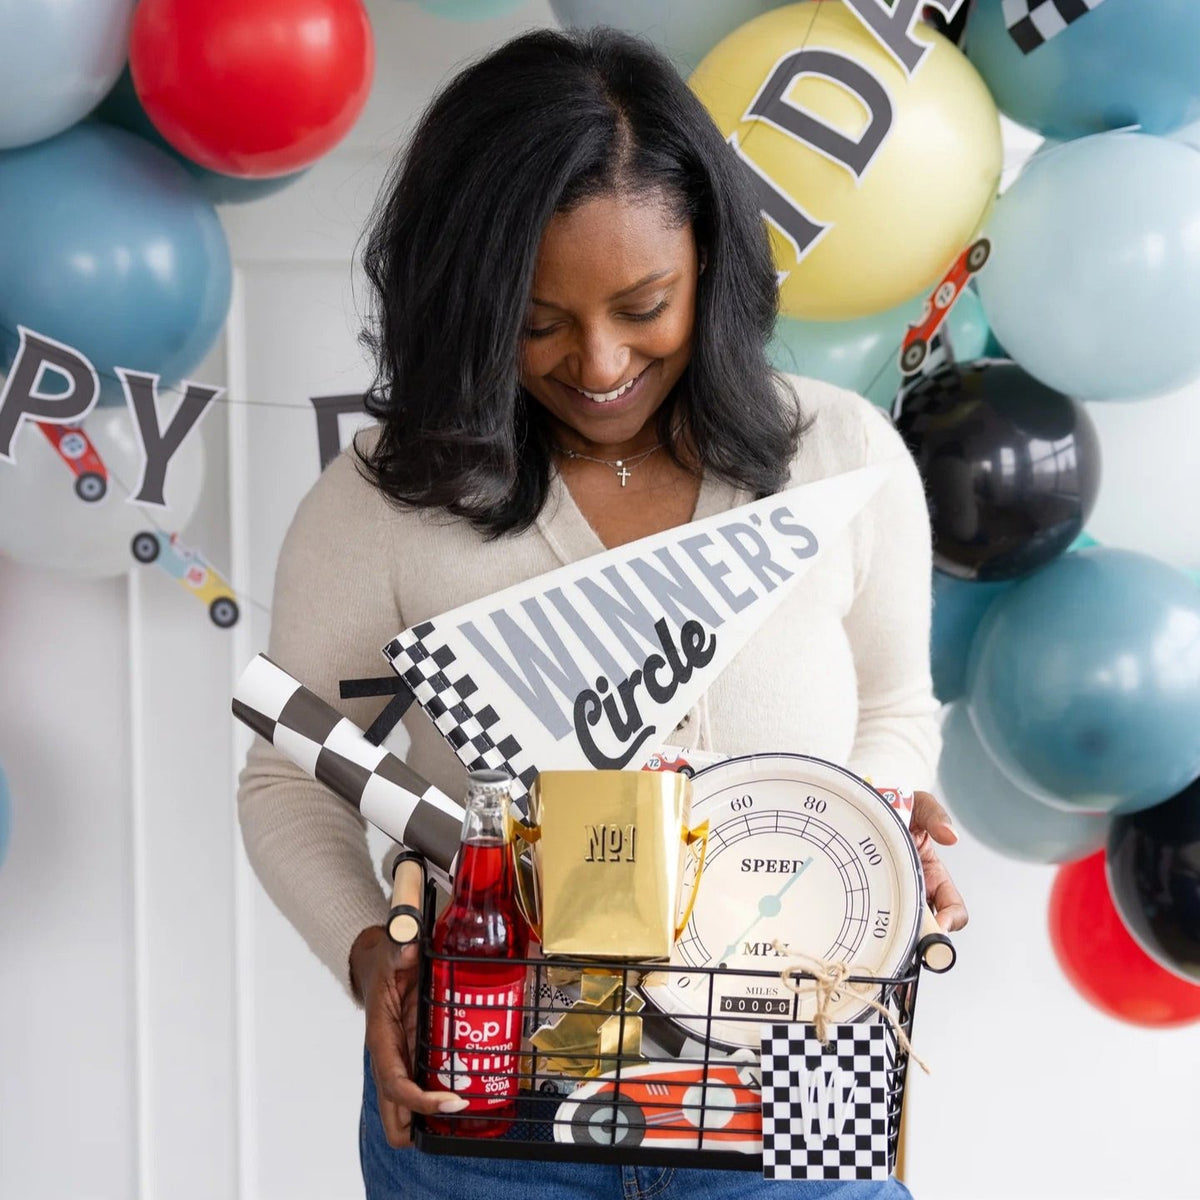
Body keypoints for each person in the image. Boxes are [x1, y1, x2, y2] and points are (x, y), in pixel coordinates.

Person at [238, 26, 967, 1200]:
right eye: (537, 320)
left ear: (711, 268)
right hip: (486, 1119)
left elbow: (893, 710)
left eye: (645, 304)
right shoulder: (385, 498)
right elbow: (290, 773)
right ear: (464, 302)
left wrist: (871, 837)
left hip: (790, 1104)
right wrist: (374, 953)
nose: (599, 358)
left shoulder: (842, 457)